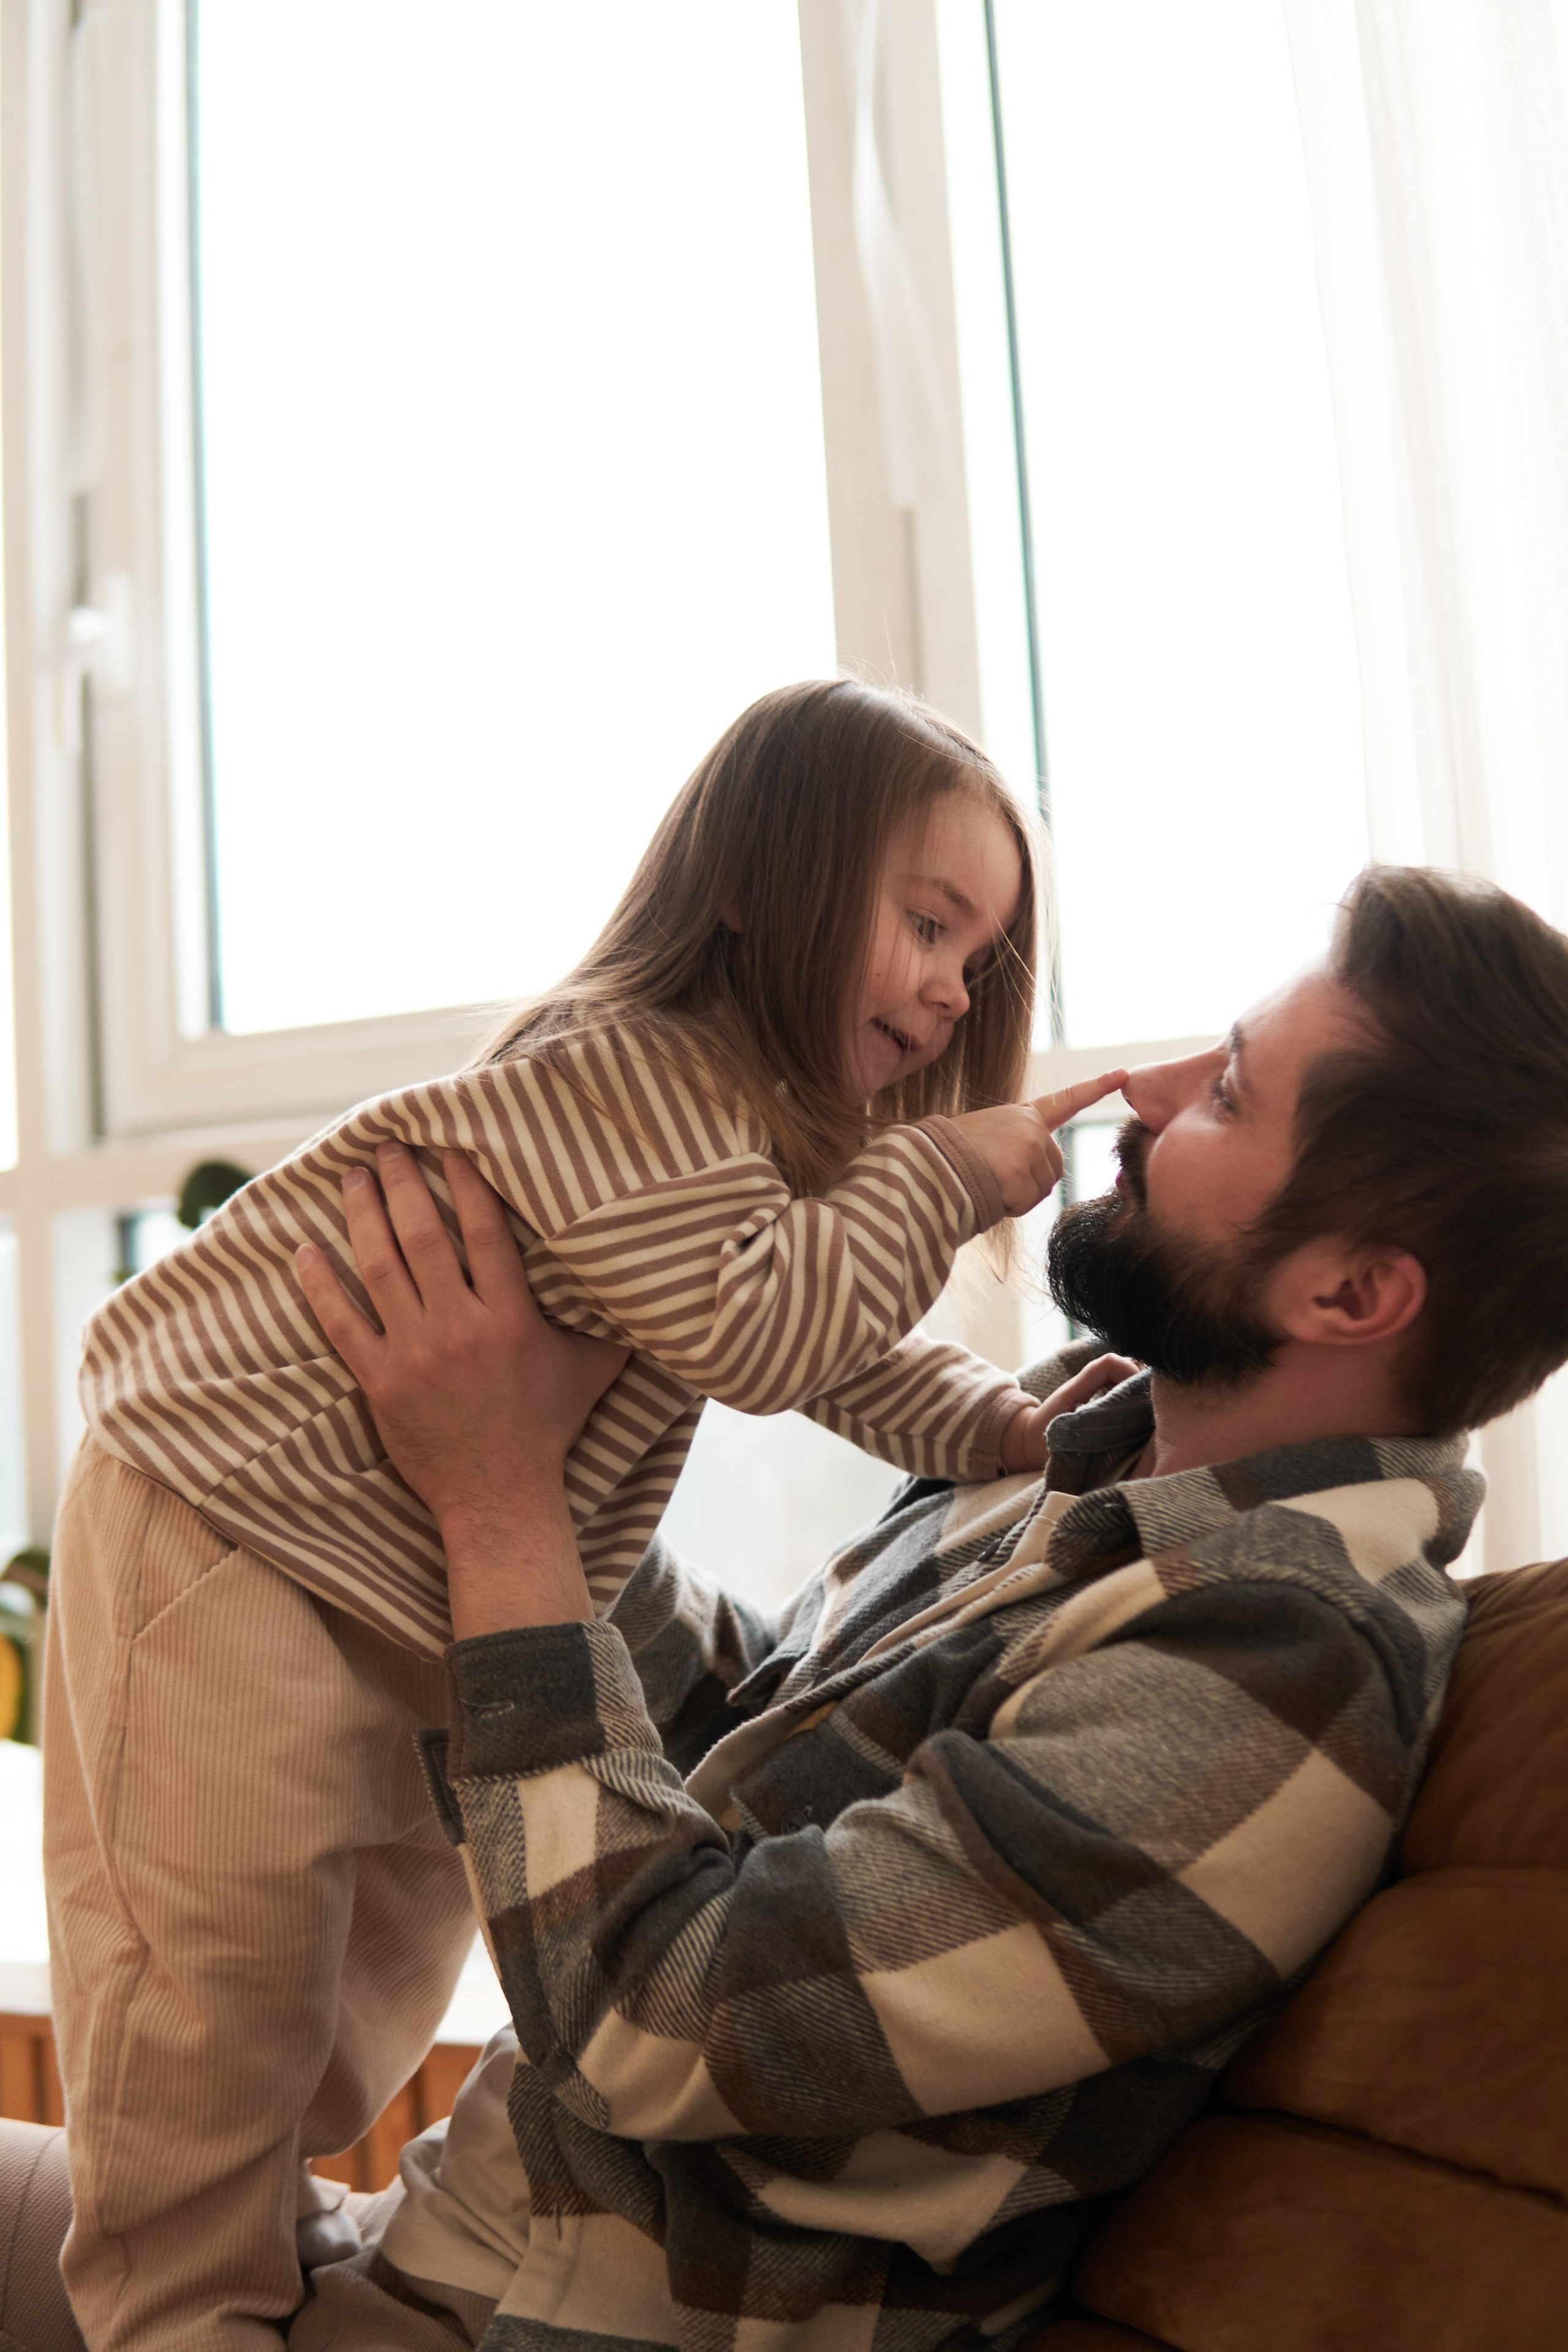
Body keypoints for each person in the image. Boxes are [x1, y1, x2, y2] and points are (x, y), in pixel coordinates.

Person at [260, 861, 1561, 2348]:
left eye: (1229, 1096)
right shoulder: (1082, 1461)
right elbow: (731, 1768)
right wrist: (540, 1461)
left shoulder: (1263, 1669)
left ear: (1347, 1296)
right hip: (417, 2236)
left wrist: (497, 1510)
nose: (1142, 1087)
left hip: (531, 2320)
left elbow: (659, 2016)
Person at [42, 679, 1126, 2350]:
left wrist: (981, 1417)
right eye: (925, 922)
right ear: (761, 884)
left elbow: (811, 1341)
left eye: (979, 960)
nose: (947, 987)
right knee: (210, 1992)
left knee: (350, 2009)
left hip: (390, 1586)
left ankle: (251, 2236)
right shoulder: (631, 1077)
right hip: (232, 1521)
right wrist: (946, 1173)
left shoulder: (743, 1139)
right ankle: (179, 2313)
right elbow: (760, 1331)